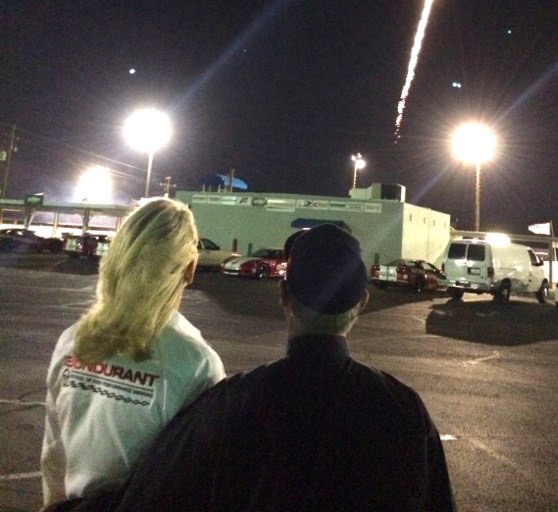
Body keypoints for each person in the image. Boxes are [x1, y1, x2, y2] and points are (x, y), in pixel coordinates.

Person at [43, 223, 455, 512]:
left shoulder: (230, 404)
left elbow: (154, 495)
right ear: (361, 303)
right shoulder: (404, 411)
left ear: (283, 296)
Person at [41, 197, 225, 507]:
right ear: (190, 269)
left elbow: (54, 452)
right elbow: (200, 475)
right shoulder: (197, 364)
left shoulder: (73, 340)